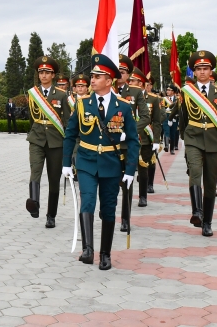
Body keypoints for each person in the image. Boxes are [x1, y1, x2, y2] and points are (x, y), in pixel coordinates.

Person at [61, 53, 139, 270]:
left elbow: (133, 140)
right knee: (87, 201)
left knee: (108, 208)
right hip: (86, 161)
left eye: (97, 76)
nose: (92, 80)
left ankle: (105, 254)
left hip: (111, 164)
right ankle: (88, 250)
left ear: (109, 80)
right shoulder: (82, 104)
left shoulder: (123, 107)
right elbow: (70, 134)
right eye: (92, 76)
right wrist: (67, 163)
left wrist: (131, 170)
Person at [179, 50, 217, 237]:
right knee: (194, 172)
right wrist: (183, 138)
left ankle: (207, 222)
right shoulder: (187, 92)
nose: (202, 72)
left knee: (210, 184)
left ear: (211, 71)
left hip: (213, 141)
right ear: (194, 72)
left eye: (206, 68)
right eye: (199, 69)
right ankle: (197, 212)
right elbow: (183, 118)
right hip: (193, 138)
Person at [25, 56, 72, 229]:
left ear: (53, 75)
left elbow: (67, 122)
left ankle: (51, 215)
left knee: (54, 179)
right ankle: (34, 203)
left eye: (47, 72)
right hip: (37, 139)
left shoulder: (61, 95)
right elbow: (32, 119)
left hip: (56, 142)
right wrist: (33, 134)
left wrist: (69, 145)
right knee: (35, 171)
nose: (43, 75)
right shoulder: (32, 94)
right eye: (41, 72)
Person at [115, 55, 150, 233]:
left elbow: (145, 116)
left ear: (128, 74)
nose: (119, 74)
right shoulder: (103, 91)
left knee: (126, 181)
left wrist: (129, 132)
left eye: (123, 71)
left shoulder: (135, 92)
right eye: (117, 71)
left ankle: (125, 218)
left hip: (127, 144)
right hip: (108, 144)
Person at [127, 68, 160, 207]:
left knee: (143, 168)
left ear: (140, 83)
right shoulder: (125, 95)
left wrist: (157, 140)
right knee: (128, 169)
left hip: (146, 138)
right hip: (128, 138)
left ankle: (142, 196)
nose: (130, 82)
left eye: (133, 81)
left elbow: (157, 120)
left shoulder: (153, 99)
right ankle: (126, 197)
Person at [163, 85, 180, 154]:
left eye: (169, 90)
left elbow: (179, 109)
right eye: (167, 90)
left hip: (174, 118)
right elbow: (161, 108)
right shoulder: (164, 99)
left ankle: (172, 149)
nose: (167, 91)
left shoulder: (177, 99)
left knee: (173, 133)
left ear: (173, 91)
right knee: (166, 131)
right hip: (166, 117)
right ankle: (166, 146)